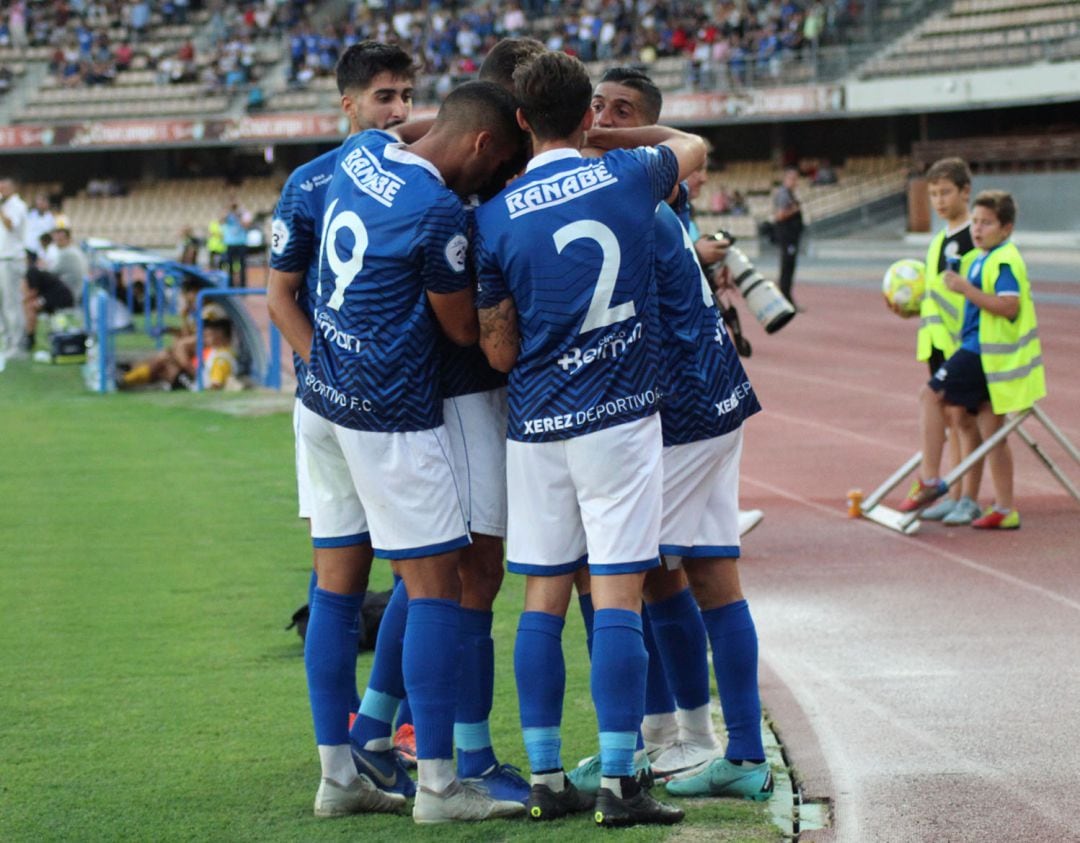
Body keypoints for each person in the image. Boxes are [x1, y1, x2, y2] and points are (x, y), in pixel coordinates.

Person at [474, 50, 706, 828]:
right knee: (617, 592)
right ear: (588, 117)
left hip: (537, 424)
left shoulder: (495, 215)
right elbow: (694, 147)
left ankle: (544, 777)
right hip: (621, 417)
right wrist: (607, 141)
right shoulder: (629, 173)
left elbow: (498, 350)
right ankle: (620, 782)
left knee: (541, 597)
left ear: (516, 121)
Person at [297, 80, 526, 824]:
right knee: (434, 587)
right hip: (389, 410)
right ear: (486, 145)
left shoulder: (364, 153)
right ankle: (439, 786)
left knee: (335, 586)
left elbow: (430, 131)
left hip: (321, 398)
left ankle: (341, 772)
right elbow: (463, 332)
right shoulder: (436, 211)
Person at [587, 65, 772, 801]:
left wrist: (593, 135)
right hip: (711, 397)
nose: (603, 120)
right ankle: (714, 745)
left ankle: (646, 746)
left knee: (629, 573)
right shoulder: (641, 195)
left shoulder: (635, 190)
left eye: (621, 112)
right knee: (700, 572)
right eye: (595, 106)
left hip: (686, 407)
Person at [267, 40, 421, 817]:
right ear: (348, 104)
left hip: (332, 406)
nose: (398, 110)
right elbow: (279, 294)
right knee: (420, 573)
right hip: (366, 406)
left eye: (405, 95)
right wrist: (320, 362)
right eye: (384, 96)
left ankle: (351, 761)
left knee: (360, 584)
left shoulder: (343, 176)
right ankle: (368, 748)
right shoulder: (313, 182)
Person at [904, 190, 1045, 530]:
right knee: (991, 427)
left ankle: (930, 478)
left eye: (987, 223)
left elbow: (1009, 306)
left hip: (983, 351)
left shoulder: (1004, 260)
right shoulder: (982, 257)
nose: (978, 229)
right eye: (976, 222)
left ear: (1006, 228)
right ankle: (1005, 507)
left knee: (930, 395)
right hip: (981, 351)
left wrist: (967, 290)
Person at [895, 158, 984, 524]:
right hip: (936, 341)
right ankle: (956, 490)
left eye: (945, 192)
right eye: (932, 193)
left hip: (964, 342)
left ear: (965, 192)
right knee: (951, 419)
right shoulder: (938, 240)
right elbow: (935, 293)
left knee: (965, 419)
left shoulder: (972, 238)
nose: (939, 200)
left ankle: (969, 498)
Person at [0, 178, 28, 357]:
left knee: (12, 303)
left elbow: (10, 225)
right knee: (3, 304)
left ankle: (17, 345)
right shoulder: (7, 205)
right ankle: (8, 341)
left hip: (11, 260)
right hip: (3, 259)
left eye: (3, 187)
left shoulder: (17, 205)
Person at [772, 165, 803, 310]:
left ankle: (786, 296)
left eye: (796, 179)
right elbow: (780, 215)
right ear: (786, 179)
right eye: (792, 179)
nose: (795, 182)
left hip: (791, 237)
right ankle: (784, 298)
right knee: (787, 267)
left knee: (789, 267)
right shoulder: (784, 194)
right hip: (787, 237)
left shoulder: (789, 194)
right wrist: (795, 210)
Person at [221, 203, 247, 287]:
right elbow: (221, 220)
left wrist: (238, 215)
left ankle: (243, 285)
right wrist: (228, 212)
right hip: (230, 243)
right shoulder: (227, 215)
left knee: (242, 265)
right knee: (229, 265)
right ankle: (230, 284)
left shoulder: (242, 214)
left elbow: (246, 225)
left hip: (240, 243)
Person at [24, 193, 55, 266]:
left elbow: (49, 236)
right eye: (38, 201)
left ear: (47, 203)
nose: (40, 204)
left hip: (41, 251)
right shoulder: (29, 215)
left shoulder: (50, 218)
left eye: (42, 201)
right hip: (28, 248)